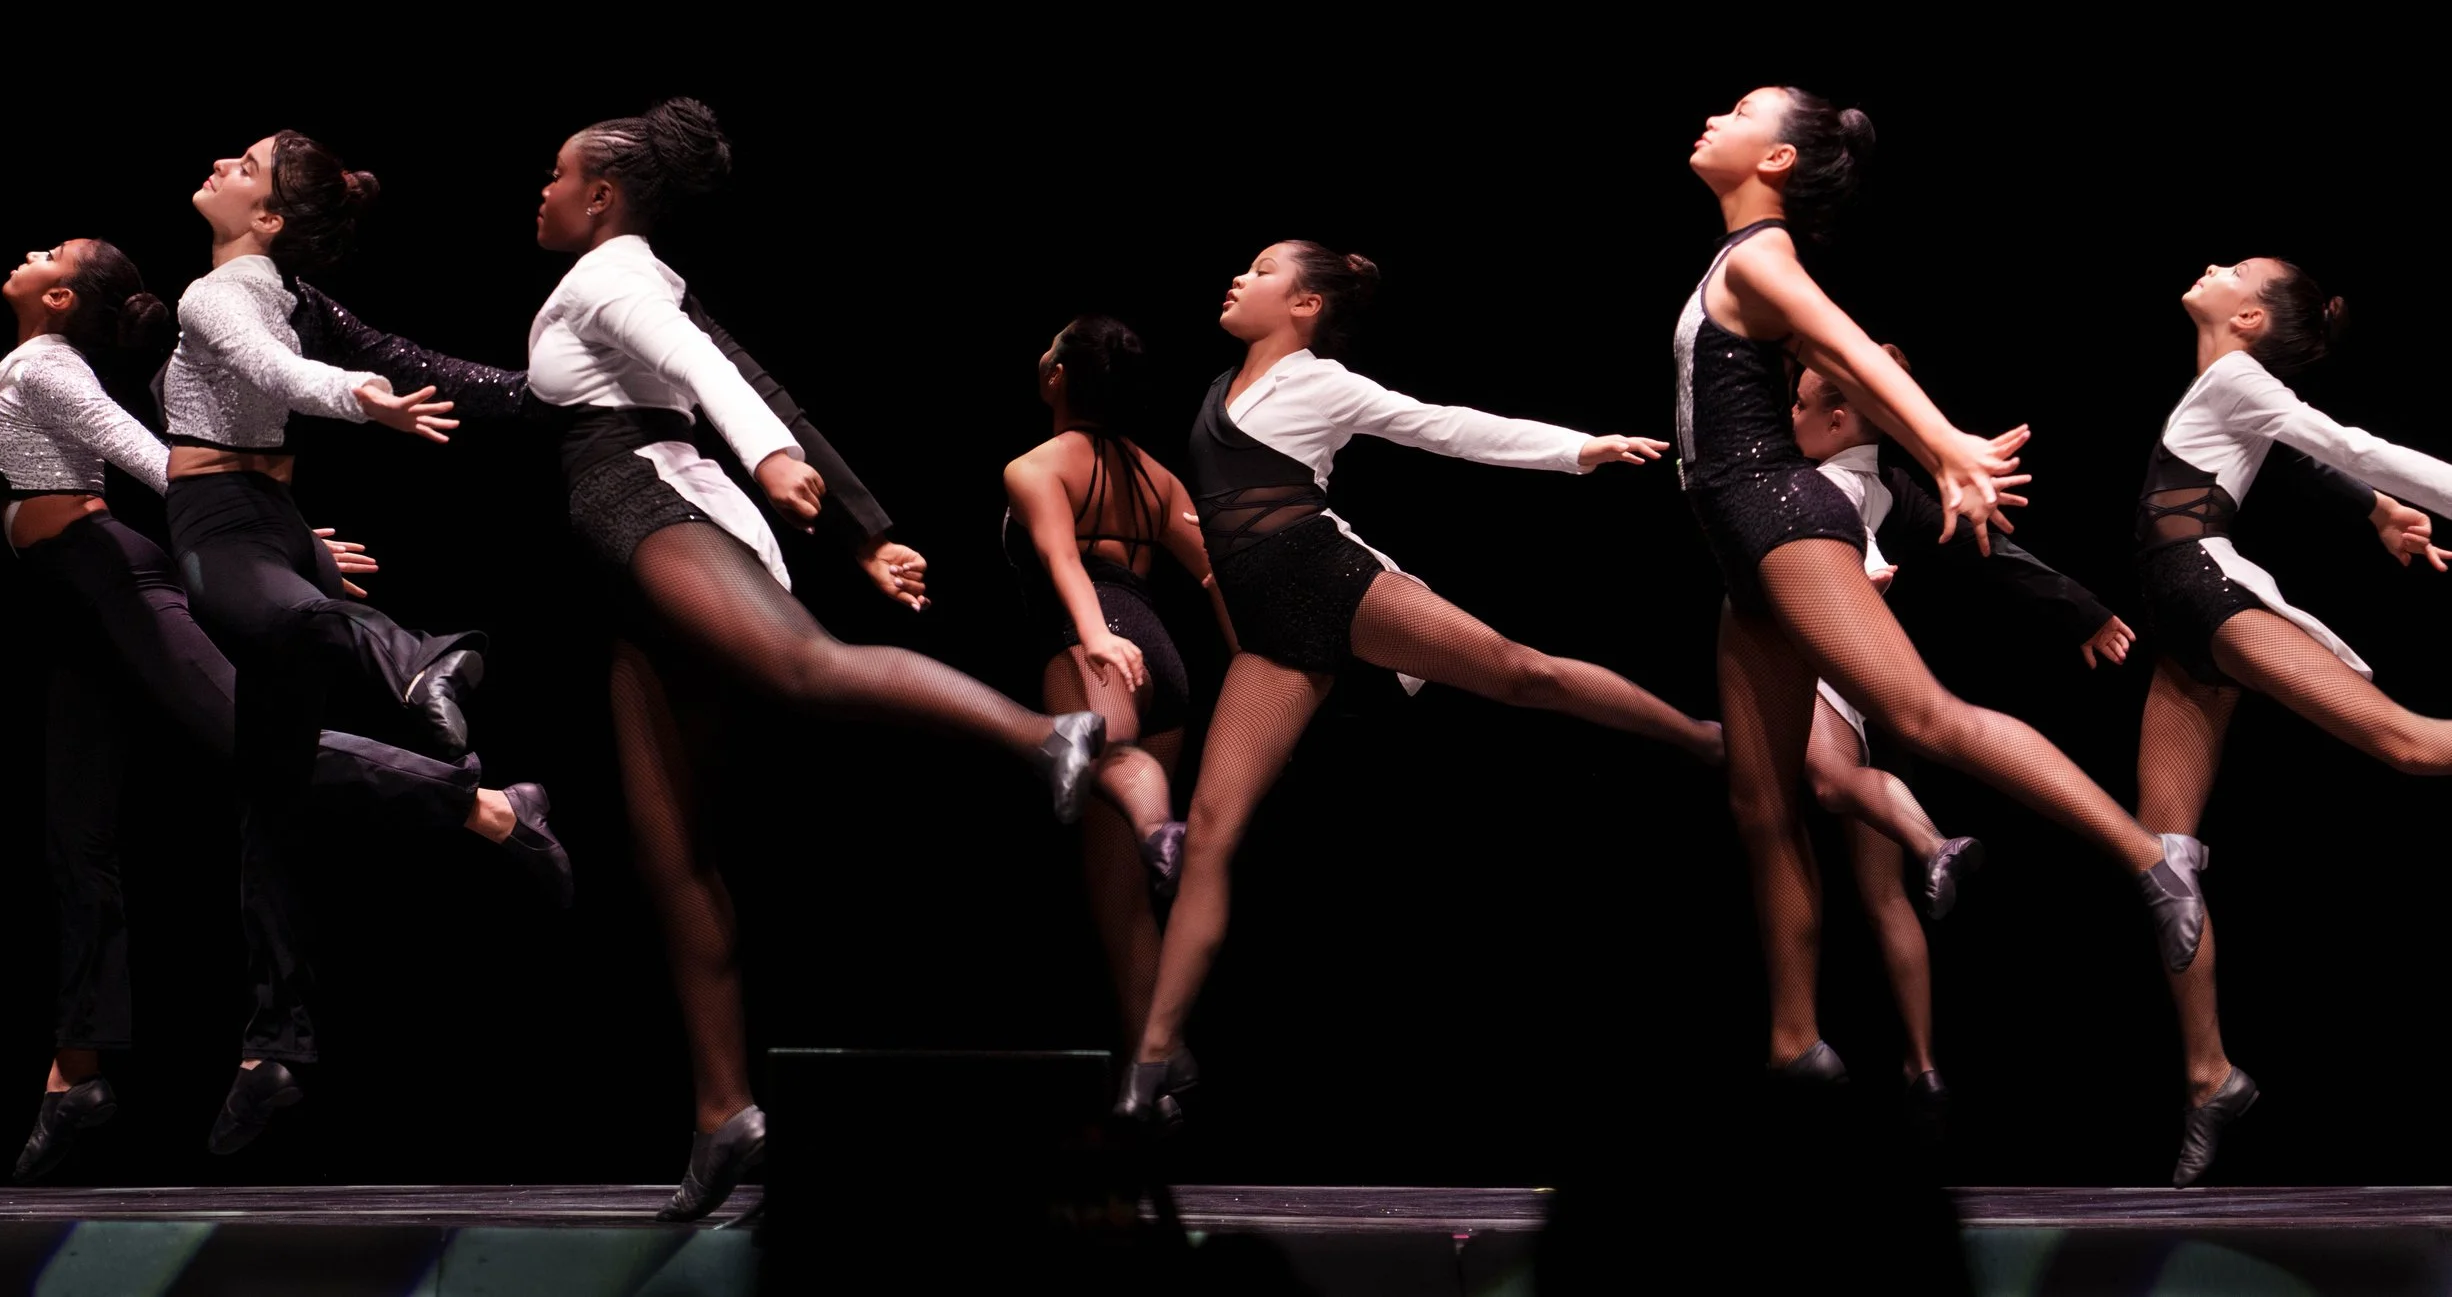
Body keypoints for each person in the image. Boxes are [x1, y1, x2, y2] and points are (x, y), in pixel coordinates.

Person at [526, 97, 1147, 1220]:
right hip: (637, 546)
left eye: (558, 175)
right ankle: (723, 1112)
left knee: (803, 667)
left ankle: (1045, 736)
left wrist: (771, 461)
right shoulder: (637, 276)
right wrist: (862, 533)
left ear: (603, 196)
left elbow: (717, 381)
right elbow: (757, 377)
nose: (545, 190)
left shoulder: (610, 275)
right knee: (670, 847)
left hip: (650, 506)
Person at [0, 238, 567, 1178]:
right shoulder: (38, 361)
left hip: (110, 581)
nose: (28, 252)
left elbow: (157, 459)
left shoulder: (45, 367)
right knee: (75, 837)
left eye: (48, 253)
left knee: (254, 745)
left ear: (58, 299)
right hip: (73, 606)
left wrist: (288, 538)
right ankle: (76, 1070)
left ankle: (488, 807)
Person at [1115, 240, 1719, 1128]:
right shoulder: (1218, 389)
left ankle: (1699, 737)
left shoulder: (1323, 383)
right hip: (1274, 635)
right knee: (1208, 834)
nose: (1240, 276)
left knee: (1522, 671)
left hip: (1333, 580)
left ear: (1307, 305)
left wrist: (1577, 449)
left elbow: (1444, 424)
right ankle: (1154, 1057)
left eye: (1264, 269)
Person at [1675, 85, 2207, 1088]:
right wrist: (1936, 447)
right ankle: (1794, 1042)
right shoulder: (1740, 258)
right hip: (1742, 541)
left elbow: (1851, 350)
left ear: (1777, 160)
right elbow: (1839, 362)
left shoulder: (1761, 254)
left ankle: (2149, 859)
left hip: (1780, 515)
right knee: (1761, 799)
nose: (1714, 118)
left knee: (1922, 715)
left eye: (1741, 111)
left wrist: (1946, 446)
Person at [164, 131, 527, 1151]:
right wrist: (515, 391)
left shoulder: (223, 296)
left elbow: (280, 372)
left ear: (269, 218)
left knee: (290, 637)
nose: (222, 164)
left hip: (229, 524)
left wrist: (357, 399)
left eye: (245, 166)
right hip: (271, 521)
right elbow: (353, 366)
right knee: (269, 797)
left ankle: (416, 658)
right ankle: (271, 1043)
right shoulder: (281, 295)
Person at [2128, 257, 2450, 1184]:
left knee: (2408, 743)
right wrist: (2376, 512)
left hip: (2204, 590)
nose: (2214, 265)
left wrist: (2389, 491)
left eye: (2236, 269)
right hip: (2179, 622)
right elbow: (2305, 454)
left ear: (2250, 320)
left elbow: (2346, 443)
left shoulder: (2235, 375)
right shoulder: (2228, 383)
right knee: (2164, 861)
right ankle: (2209, 1074)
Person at [1788, 348, 2133, 1137]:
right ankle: (1924, 1065)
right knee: (1882, 893)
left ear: (1836, 418)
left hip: (1826, 675)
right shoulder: (1892, 484)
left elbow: (1849, 551)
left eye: (1799, 404)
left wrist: (1864, 577)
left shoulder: (1807, 483)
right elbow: (1989, 549)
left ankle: (1925, 850)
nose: (1788, 415)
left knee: (1810, 806)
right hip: (1878, 689)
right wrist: (2079, 607)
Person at [1003, 315, 1226, 1056]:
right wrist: (1245, 661)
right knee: (1117, 890)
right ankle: (1160, 1064)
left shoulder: (1035, 466)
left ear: (1058, 375)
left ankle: (1162, 828)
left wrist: (1095, 638)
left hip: (1099, 647)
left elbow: (1061, 557)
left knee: (1109, 758)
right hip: (1162, 659)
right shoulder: (1159, 478)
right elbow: (1216, 576)